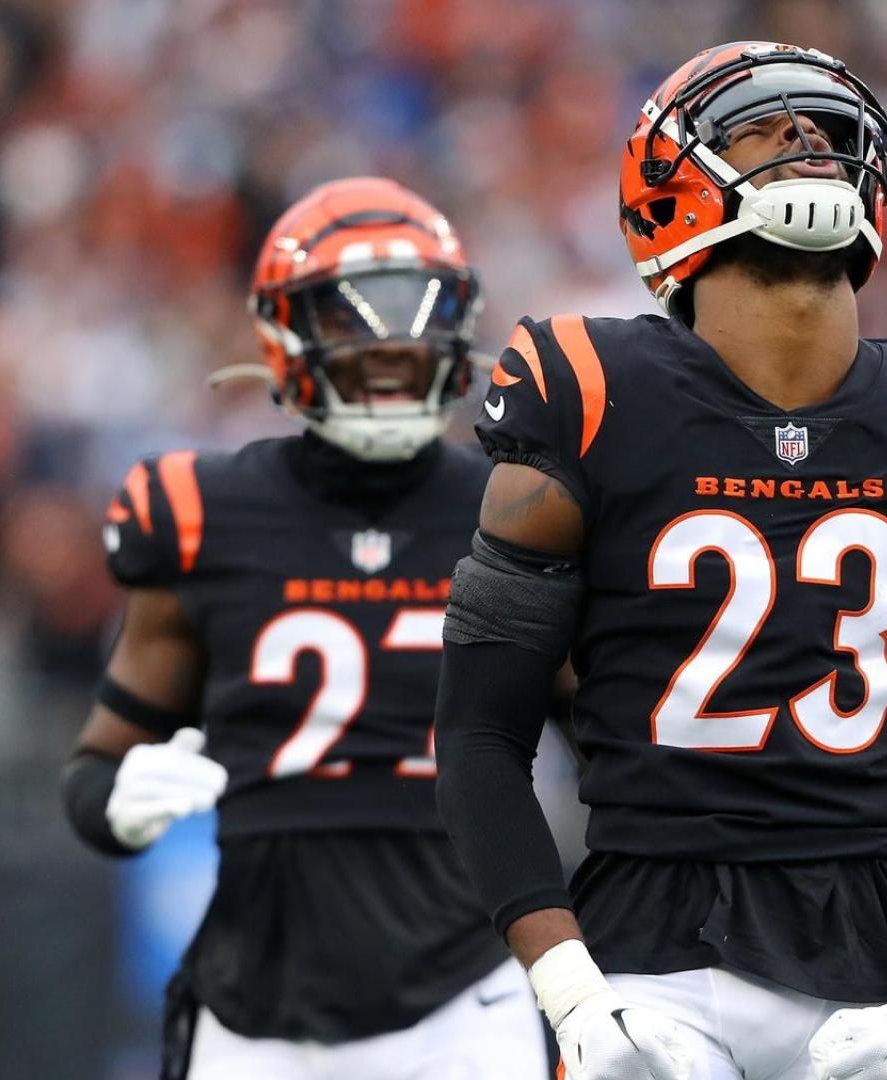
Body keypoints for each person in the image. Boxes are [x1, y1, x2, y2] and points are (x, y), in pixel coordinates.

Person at [433, 41, 887, 1080]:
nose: (808, 146)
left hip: (869, 969)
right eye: (767, 129)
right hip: (645, 962)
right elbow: (478, 734)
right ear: (668, 190)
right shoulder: (585, 390)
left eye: (830, 132)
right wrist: (573, 992)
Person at [60, 177, 548, 1080]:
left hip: (462, 997)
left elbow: (615, 742)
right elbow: (93, 769)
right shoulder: (201, 513)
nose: (390, 355)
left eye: (413, 328)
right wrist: (117, 804)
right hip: (254, 1005)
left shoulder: (515, 512)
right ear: (286, 336)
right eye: (353, 329)